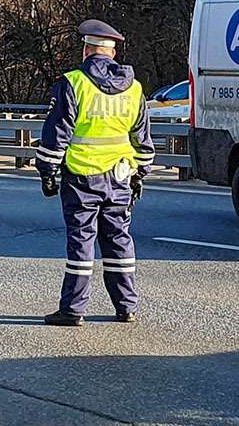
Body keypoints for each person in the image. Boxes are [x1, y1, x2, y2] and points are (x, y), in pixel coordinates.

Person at [35, 19, 155, 326]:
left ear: (87, 50)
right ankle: (126, 306)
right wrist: (141, 172)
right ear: (112, 53)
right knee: (119, 241)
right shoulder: (134, 87)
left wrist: (47, 170)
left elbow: (57, 133)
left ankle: (73, 309)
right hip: (120, 177)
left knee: (82, 243)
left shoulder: (73, 83)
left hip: (82, 176)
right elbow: (141, 137)